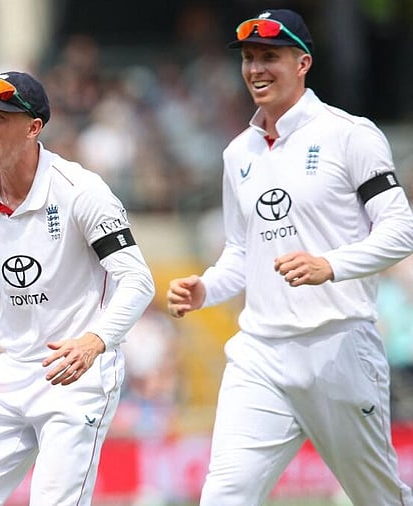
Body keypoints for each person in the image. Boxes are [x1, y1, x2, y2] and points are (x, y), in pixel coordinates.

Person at [166, 9, 413, 505]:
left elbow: (401, 230)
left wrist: (331, 265)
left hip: (339, 347)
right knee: (224, 495)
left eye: (270, 57)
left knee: (377, 497)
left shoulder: (350, 134)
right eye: (250, 58)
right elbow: (241, 250)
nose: (256, 68)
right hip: (260, 352)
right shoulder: (238, 153)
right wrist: (206, 288)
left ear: (303, 63)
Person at [0, 71, 156, 505]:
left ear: (33, 128)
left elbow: (138, 280)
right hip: (12, 373)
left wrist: (94, 342)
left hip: (77, 375)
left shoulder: (81, 191)